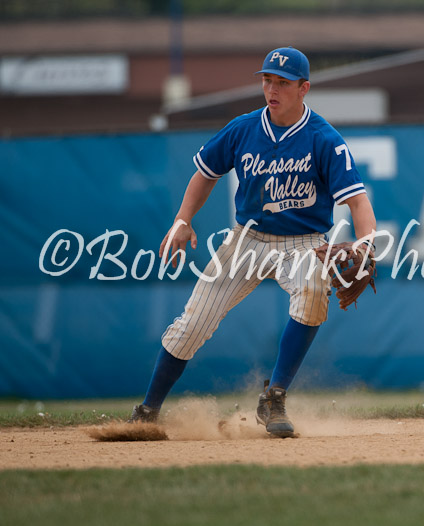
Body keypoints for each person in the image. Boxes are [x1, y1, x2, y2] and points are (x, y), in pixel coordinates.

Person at [128, 47, 377, 438]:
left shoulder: (324, 139)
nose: (272, 89)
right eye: (267, 80)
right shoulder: (243, 128)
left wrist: (365, 246)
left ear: (303, 88)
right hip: (247, 241)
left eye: (282, 82)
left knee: (313, 290)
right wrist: (182, 220)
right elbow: (205, 173)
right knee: (191, 325)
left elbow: (357, 200)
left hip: (303, 243)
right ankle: (147, 411)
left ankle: (274, 397)